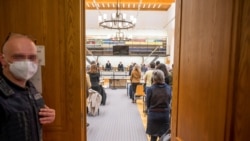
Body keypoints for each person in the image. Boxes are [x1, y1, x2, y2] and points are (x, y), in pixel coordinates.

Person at [0, 33, 55, 141]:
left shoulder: (30, 87)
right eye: (18, 57)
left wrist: (48, 115)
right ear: (3, 60)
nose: (26, 63)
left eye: (32, 57)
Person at [146, 70, 171, 141]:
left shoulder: (150, 89)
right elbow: (169, 101)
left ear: (154, 78)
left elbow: (147, 103)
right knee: (164, 137)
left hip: (153, 115)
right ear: (163, 77)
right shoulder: (168, 88)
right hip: (165, 115)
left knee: (153, 137)